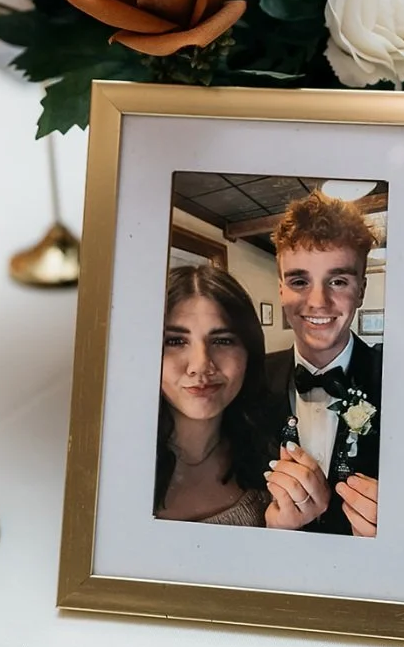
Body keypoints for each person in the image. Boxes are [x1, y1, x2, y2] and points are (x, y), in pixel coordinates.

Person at [265, 190, 382, 537]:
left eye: (338, 281)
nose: (318, 301)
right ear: (281, 289)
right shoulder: (248, 379)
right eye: (300, 281)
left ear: (361, 290)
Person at [154, 263, 273, 527]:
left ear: (249, 353)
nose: (200, 365)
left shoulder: (269, 460)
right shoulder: (112, 466)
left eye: (222, 341)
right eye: (175, 341)